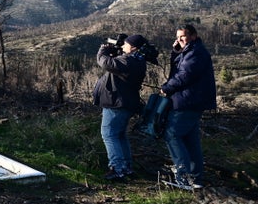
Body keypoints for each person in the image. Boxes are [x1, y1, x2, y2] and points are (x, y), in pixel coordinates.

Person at [160, 24, 217, 190]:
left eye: (182, 36)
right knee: (190, 140)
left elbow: (184, 75)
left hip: (188, 101)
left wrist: (167, 87)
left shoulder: (196, 52)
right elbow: (179, 69)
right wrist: (176, 51)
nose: (179, 40)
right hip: (191, 101)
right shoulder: (191, 51)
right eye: (177, 37)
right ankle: (196, 179)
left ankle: (183, 178)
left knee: (171, 134)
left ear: (193, 35)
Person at [93, 34, 148, 180]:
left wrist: (102, 51)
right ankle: (126, 167)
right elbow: (116, 63)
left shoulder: (128, 61)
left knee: (109, 134)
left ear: (134, 47)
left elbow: (105, 63)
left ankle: (117, 168)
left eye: (126, 44)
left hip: (117, 103)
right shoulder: (137, 60)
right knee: (120, 136)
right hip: (126, 103)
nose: (123, 46)